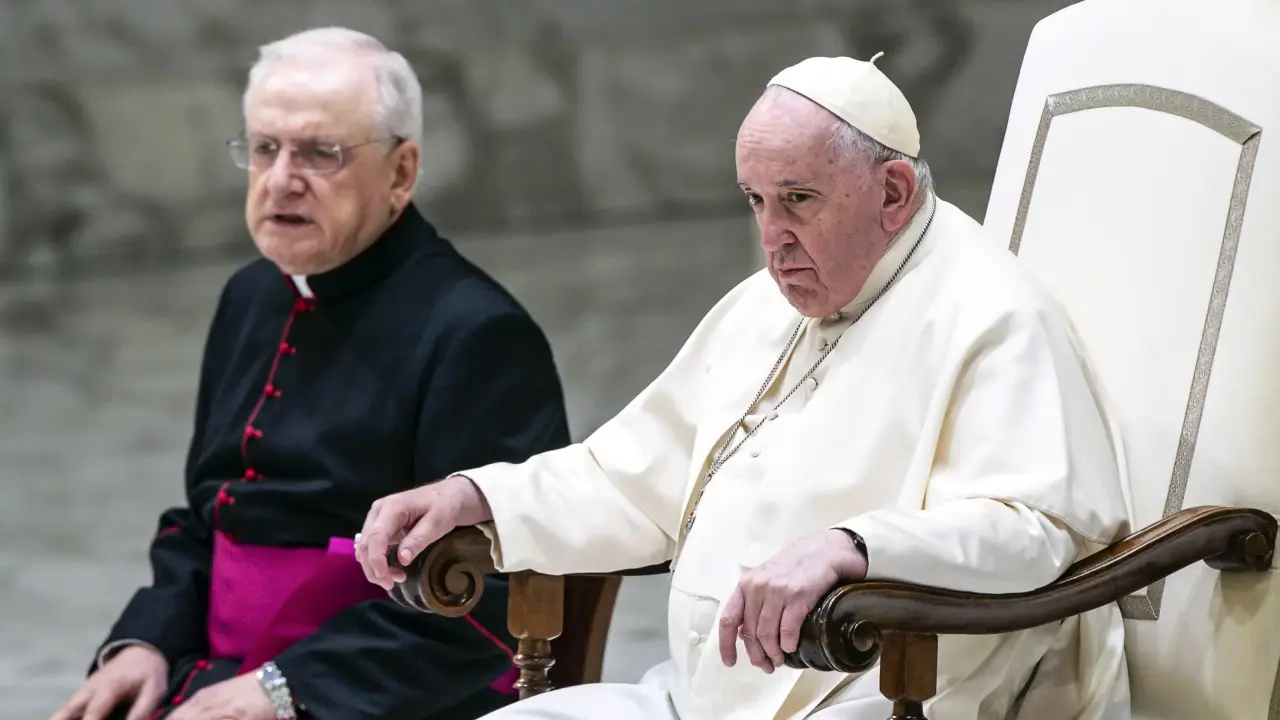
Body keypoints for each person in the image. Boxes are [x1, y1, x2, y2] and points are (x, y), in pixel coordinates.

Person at [358, 53, 1136, 720]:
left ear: (893, 193)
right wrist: (476, 496)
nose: (771, 238)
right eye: (756, 201)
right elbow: (632, 476)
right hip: (702, 698)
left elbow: (1036, 528)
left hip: (882, 697)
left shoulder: (994, 315)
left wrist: (856, 548)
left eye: (798, 200)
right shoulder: (766, 306)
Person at [49, 27, 571, 720]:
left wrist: (287, 688)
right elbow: (208, 515)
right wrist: (145, 641)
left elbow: (497, 594)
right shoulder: (250, 296)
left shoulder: (477, 332)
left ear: (401, 172)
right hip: (220, 673)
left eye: (321, 153)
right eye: (265, 148)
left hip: (380, 693)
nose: (281, 179)